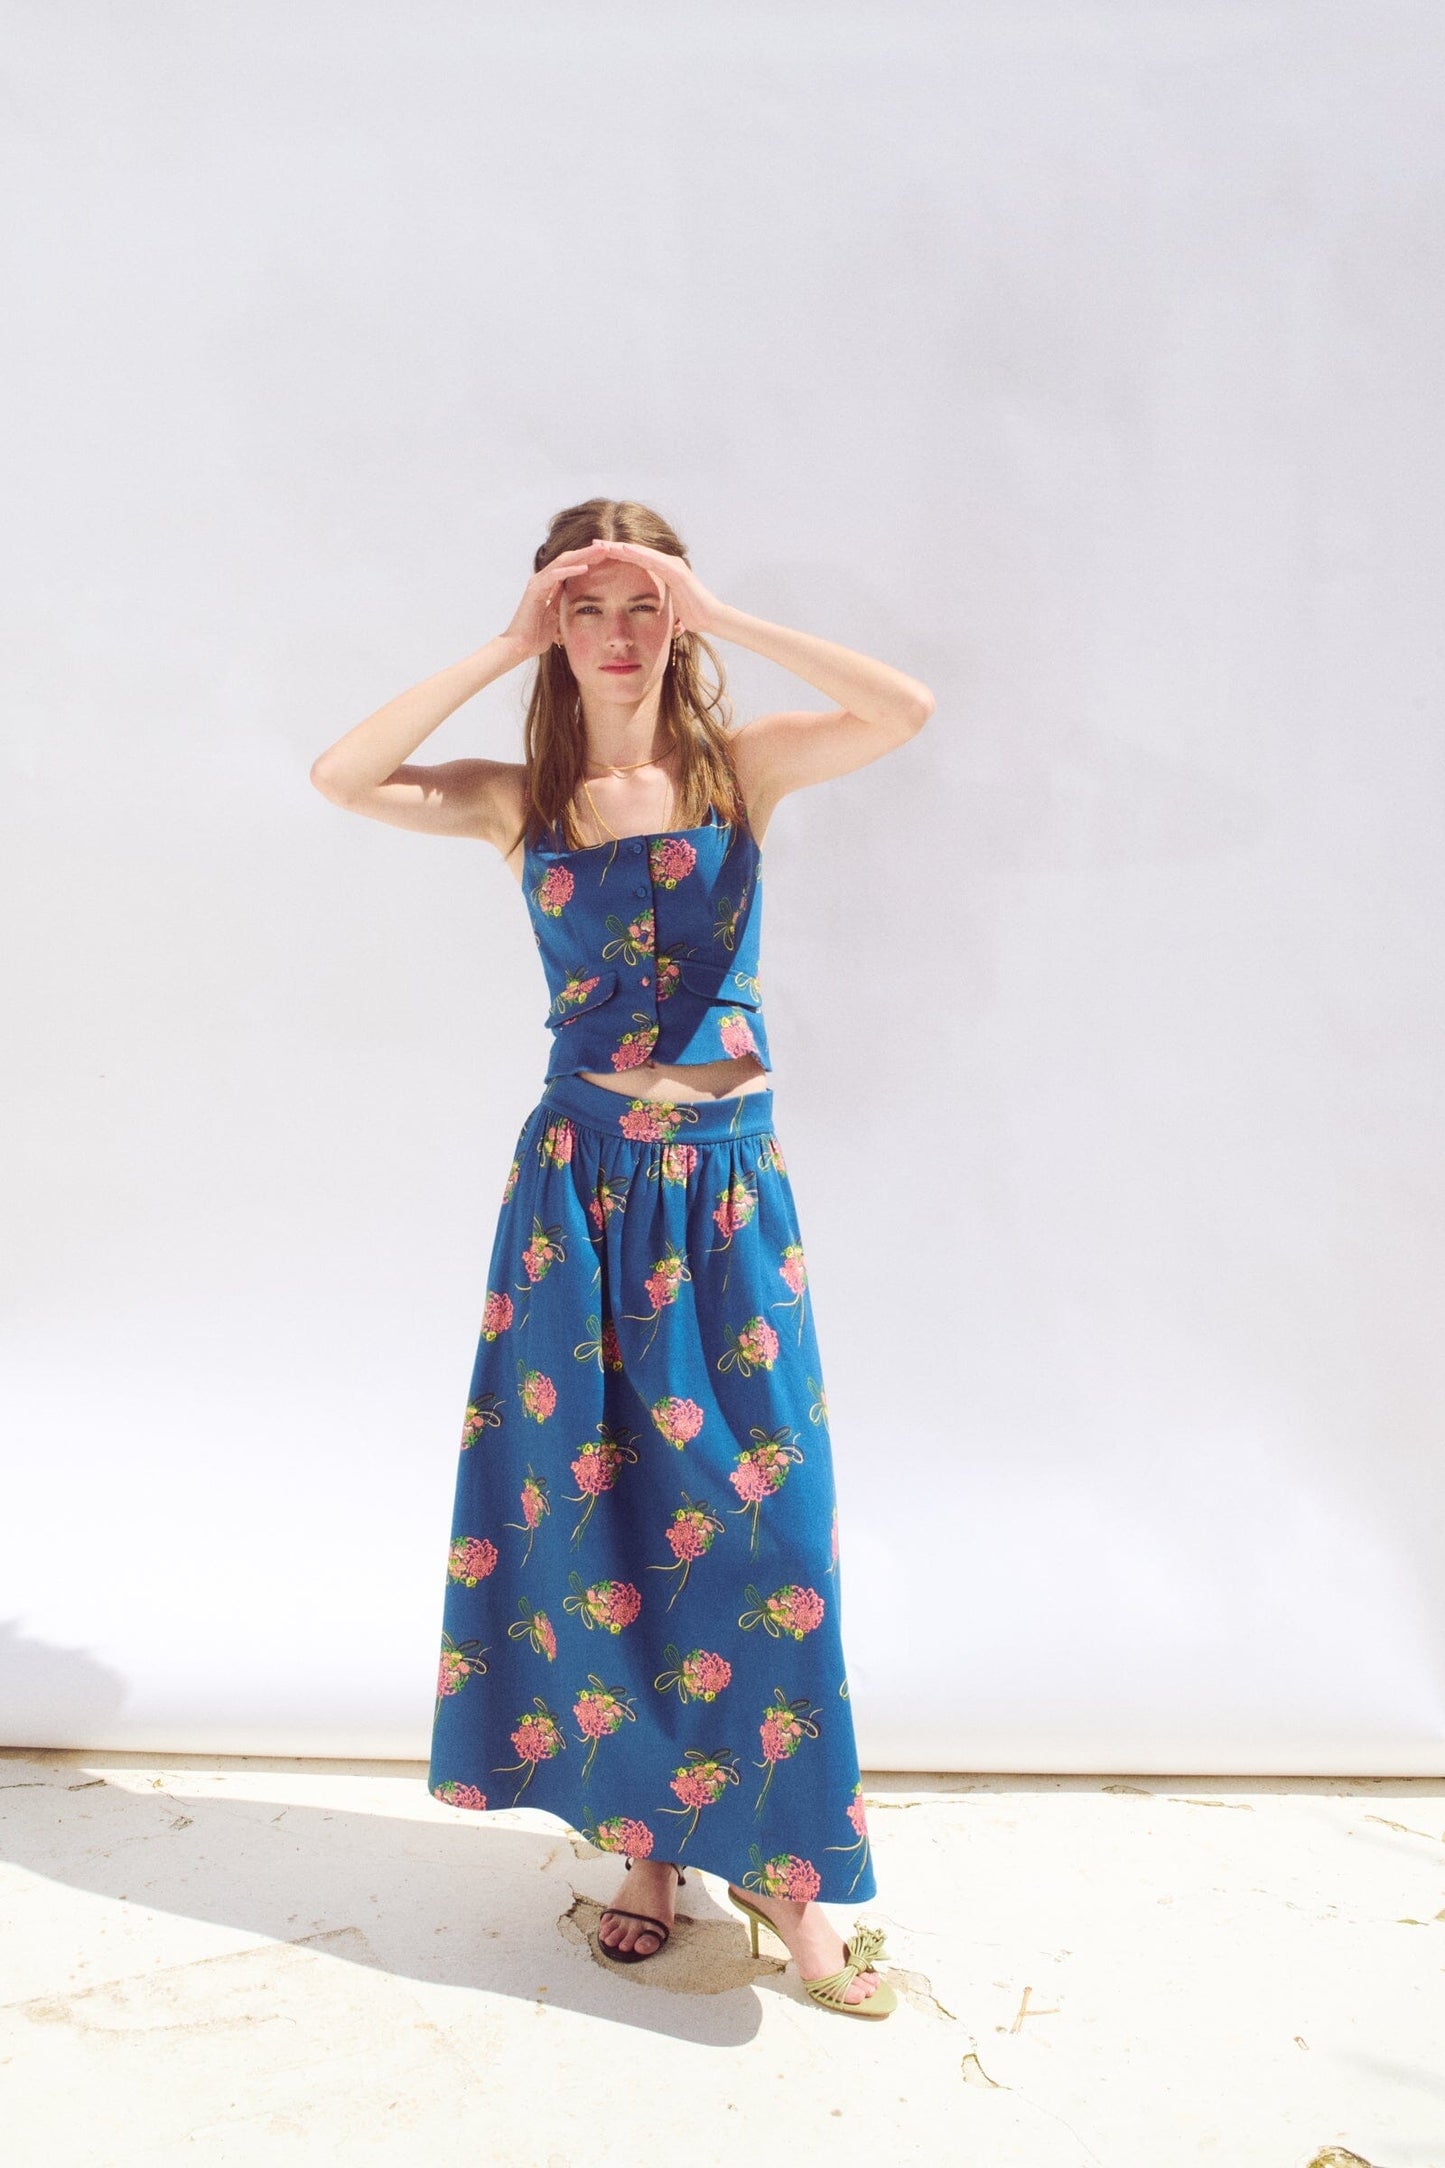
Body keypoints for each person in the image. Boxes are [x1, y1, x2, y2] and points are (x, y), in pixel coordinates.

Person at [310, 498, 934, 2019]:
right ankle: (646, 1853)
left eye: (640, 603)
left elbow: (901, 710)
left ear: (674, 616)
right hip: (577, 1199)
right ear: (555, 624)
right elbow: (342, 776)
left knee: (768, 1530)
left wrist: (720, 608)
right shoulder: (516, 798)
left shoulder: (738, 770)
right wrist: (501, 639)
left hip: (721, 1197)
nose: (618, 633)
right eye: (586, 607)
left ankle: (786, 1880)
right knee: (601, 1529)